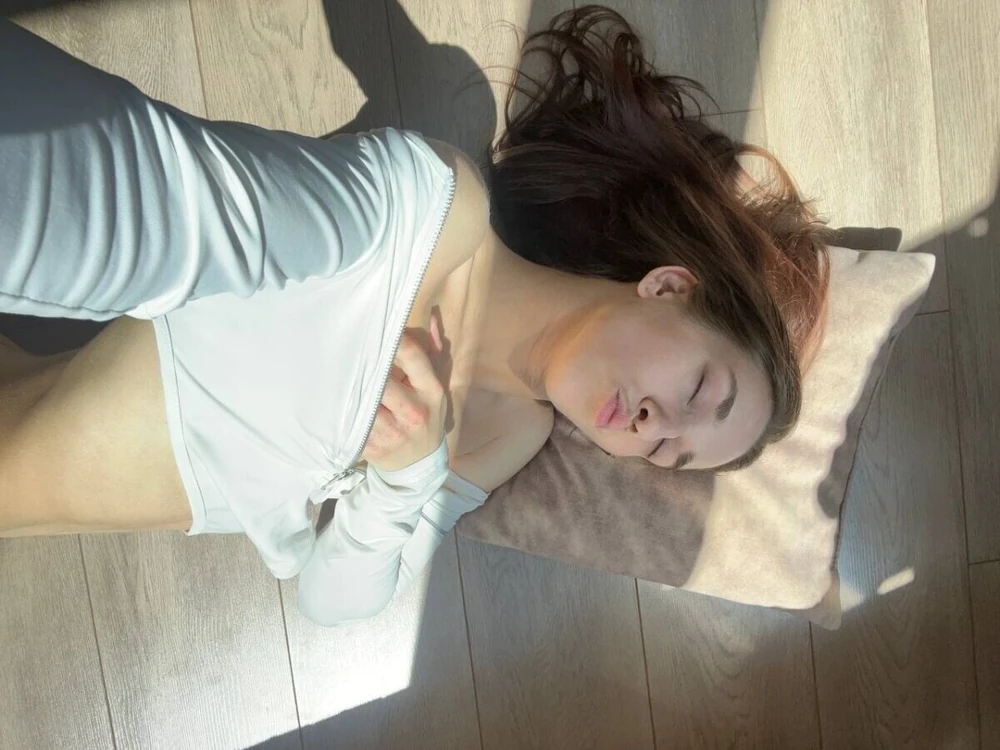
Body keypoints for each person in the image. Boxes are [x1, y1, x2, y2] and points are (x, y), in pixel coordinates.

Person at [0, 7, 829, 625]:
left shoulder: (508, 436)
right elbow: (176, 198)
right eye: (699, 390)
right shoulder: (433, 213)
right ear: (669, 287)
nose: (656, 427)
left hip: (139, 459)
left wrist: (404, 476)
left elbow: (333, 600)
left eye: (668, 453)